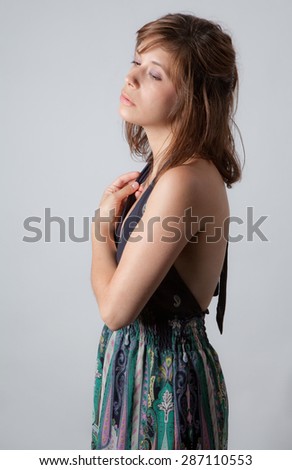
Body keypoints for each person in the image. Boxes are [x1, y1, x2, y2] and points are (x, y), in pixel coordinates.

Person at [90, 13, 241, 450]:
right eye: (136, 62)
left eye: (153, 73)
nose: (131, 77)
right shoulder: (166, 169)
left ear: (193, 99)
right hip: (136, 370)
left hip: (164, 384)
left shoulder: (182, 180)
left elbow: (116, 311)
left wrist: (101, 228)